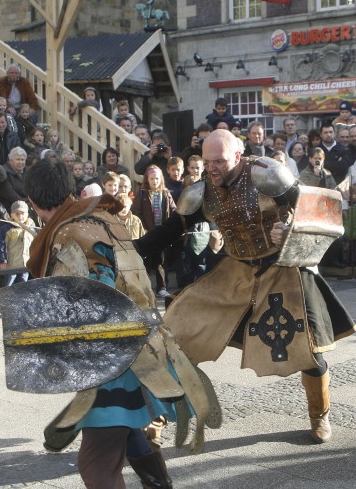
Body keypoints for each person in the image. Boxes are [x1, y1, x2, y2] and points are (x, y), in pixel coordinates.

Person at [135, 129, 356, 444]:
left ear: (238, 156)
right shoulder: (203, 191)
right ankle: (155, 419)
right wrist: (129, 250)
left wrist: (291, 231)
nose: (212, 168)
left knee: (308, 349)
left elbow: (318, 211)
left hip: (282, 270)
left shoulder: (268, 175)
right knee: (175, 332)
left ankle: (319, 415)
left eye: (219, 161)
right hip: (236, 271)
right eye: (207, 161)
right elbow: (170, 231)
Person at [23, 159, 216, 489]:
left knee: (96, 465)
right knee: (128, 430)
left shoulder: (67, 235)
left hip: (114, 362)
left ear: (32, 202)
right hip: (140, 347)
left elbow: (98, 299)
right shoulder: (102, 218)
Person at [131, 166, 176, 298]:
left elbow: (173, 210)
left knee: (160, 262)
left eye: (157, 178)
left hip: (161, 234)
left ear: (161, 179)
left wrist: (169, 228)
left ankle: (162, 287)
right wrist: (143, 228)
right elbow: (137, 212)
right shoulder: (142, 194)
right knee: (145, 262)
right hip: (147, 233)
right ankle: (145, 288)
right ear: (147, 179)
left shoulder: (166, 194)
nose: (154, 181)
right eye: (152, 178)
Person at [0, 200, 35, 287]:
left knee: (24, 284)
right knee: (10, 284)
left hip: (25, 264)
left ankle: (22, 295)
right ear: (11, 215)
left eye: (23, 213)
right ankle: (8, 295)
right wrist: (2, 261)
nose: (20, 216)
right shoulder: (6, 229)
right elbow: (0, 246)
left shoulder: (32, 229)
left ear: (27, 214)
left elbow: (35, 245)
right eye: (17, 214)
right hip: (11, 265)